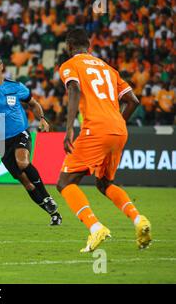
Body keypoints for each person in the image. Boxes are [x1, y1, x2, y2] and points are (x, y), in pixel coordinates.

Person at [56, 28, 151, 253]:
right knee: (104, 183)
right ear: (88, 46)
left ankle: (95, 227)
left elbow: (73, 89)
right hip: (119, 129)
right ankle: (139, 220)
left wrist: (69, 128)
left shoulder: (70, 65)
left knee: (65, 182)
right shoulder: (109, 69)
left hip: (95, 129)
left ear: (69, 47)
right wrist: (117, 123)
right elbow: (133, 100)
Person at [0, 53, 62, 226]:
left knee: (22, 162)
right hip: (1, 142)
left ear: (1, 66)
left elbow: (34, 104)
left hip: (20, 133)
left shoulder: (16, 87)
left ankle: (48, 198)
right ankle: (53, 213)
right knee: (26, 183)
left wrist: (42, 119)